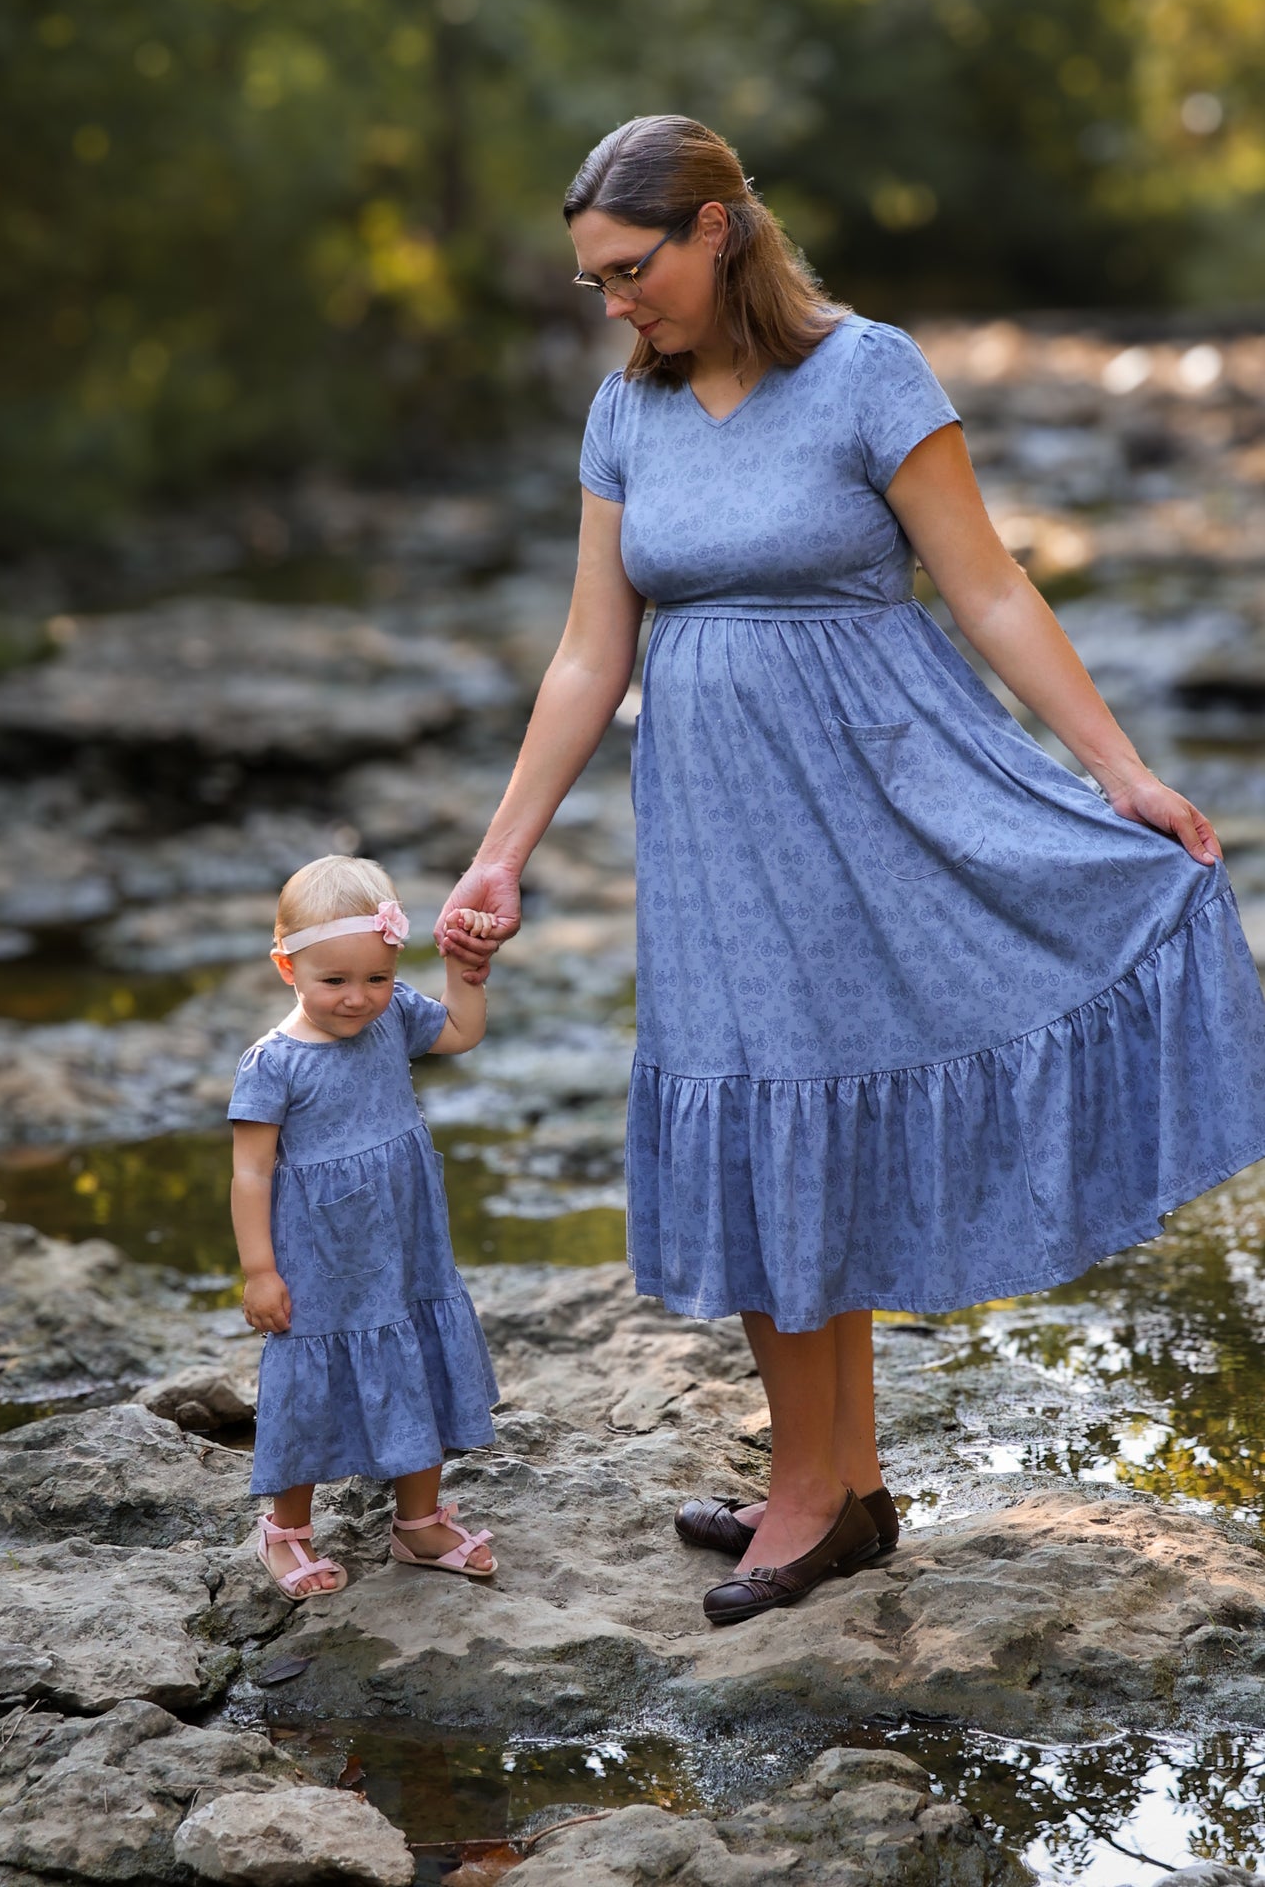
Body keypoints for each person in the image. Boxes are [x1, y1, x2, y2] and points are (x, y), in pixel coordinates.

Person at [435, 112, 1265, 1629]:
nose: (613, 302)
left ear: (716, 232)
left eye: (630, 269)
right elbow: (585, 651)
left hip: (883, 797)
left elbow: (991, 589)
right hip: (713, 829)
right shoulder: (627, 414)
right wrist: (500, 858)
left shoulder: (868, 373)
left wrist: (1121, 770)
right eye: (592, 281)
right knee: (756, 1107)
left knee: (813, 1093)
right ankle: (842, 1484)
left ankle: (816, 1498)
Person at [230, 853, 500, 1601]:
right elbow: (250, 1173)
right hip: (322, 1259)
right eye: (335, 981)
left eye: (376, 978)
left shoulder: (392, 1019)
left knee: (415, 1354)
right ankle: (286, 1529)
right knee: (311, 1384)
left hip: (404, 1246)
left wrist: (464, 976)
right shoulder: (273, 1065)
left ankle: (417, 1523)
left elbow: (458, 1033)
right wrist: (259, 1269)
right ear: (287, 967)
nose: (358, 999)